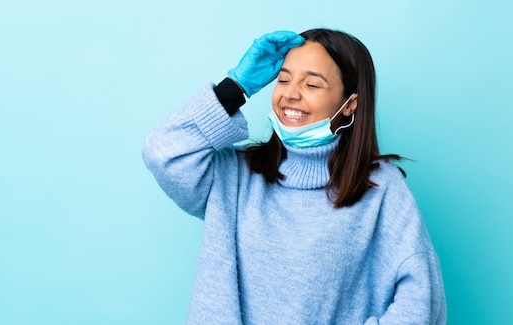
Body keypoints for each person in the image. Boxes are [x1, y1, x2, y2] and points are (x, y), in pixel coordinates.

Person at [143, 28, 446, 324]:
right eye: (284, 79)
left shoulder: (381, 188)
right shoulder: (235, 176)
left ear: (350, 103)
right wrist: (236, 87)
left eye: (312, 85)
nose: (290, 93)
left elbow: (421, 300)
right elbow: (163, 152)